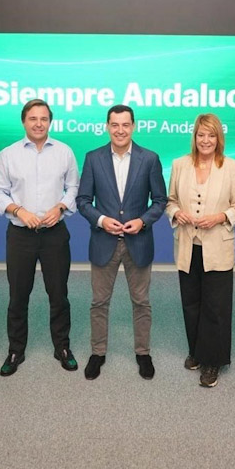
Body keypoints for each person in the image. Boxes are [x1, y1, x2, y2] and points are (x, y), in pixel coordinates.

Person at [77, 104, 167, 380]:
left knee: (141, 302)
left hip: (138, 242)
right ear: (107, 126)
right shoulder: (93, 158)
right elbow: (83, 201)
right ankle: (98, 353)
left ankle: (143, 353)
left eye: (125, 125)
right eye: (114, 125)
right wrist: (102, 220)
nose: (120, 130)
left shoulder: (149, 159)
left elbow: (160, 201)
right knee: (99, 302)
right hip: (103, 241)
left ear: (133, 126)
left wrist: (143, 221)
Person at [0, 99, 79, 377]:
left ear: (50, 122)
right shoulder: (8, 154)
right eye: (33, 118)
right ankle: (15, 350)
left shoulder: (64, 152)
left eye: (43, 119)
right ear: (23, 121)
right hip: (21, 235)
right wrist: (18, 210)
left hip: (55, 235)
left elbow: (73, 187)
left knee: (59, 294)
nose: (38, 124)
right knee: (18, 295)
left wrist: (61, 207)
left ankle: (62, 347)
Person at [165, 113, 235, 388]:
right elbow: (170, 201)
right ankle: (196, 352)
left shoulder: (231, 166)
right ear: (195, 137)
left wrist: (220, 217)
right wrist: (177, 213)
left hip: (217, 247)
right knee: (191, 303)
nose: (206, 140)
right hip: (188, 246)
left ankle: (213, 361)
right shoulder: (180, 165)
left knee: (216, 306)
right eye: (201, 135)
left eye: (211, 135)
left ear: (218, 138)